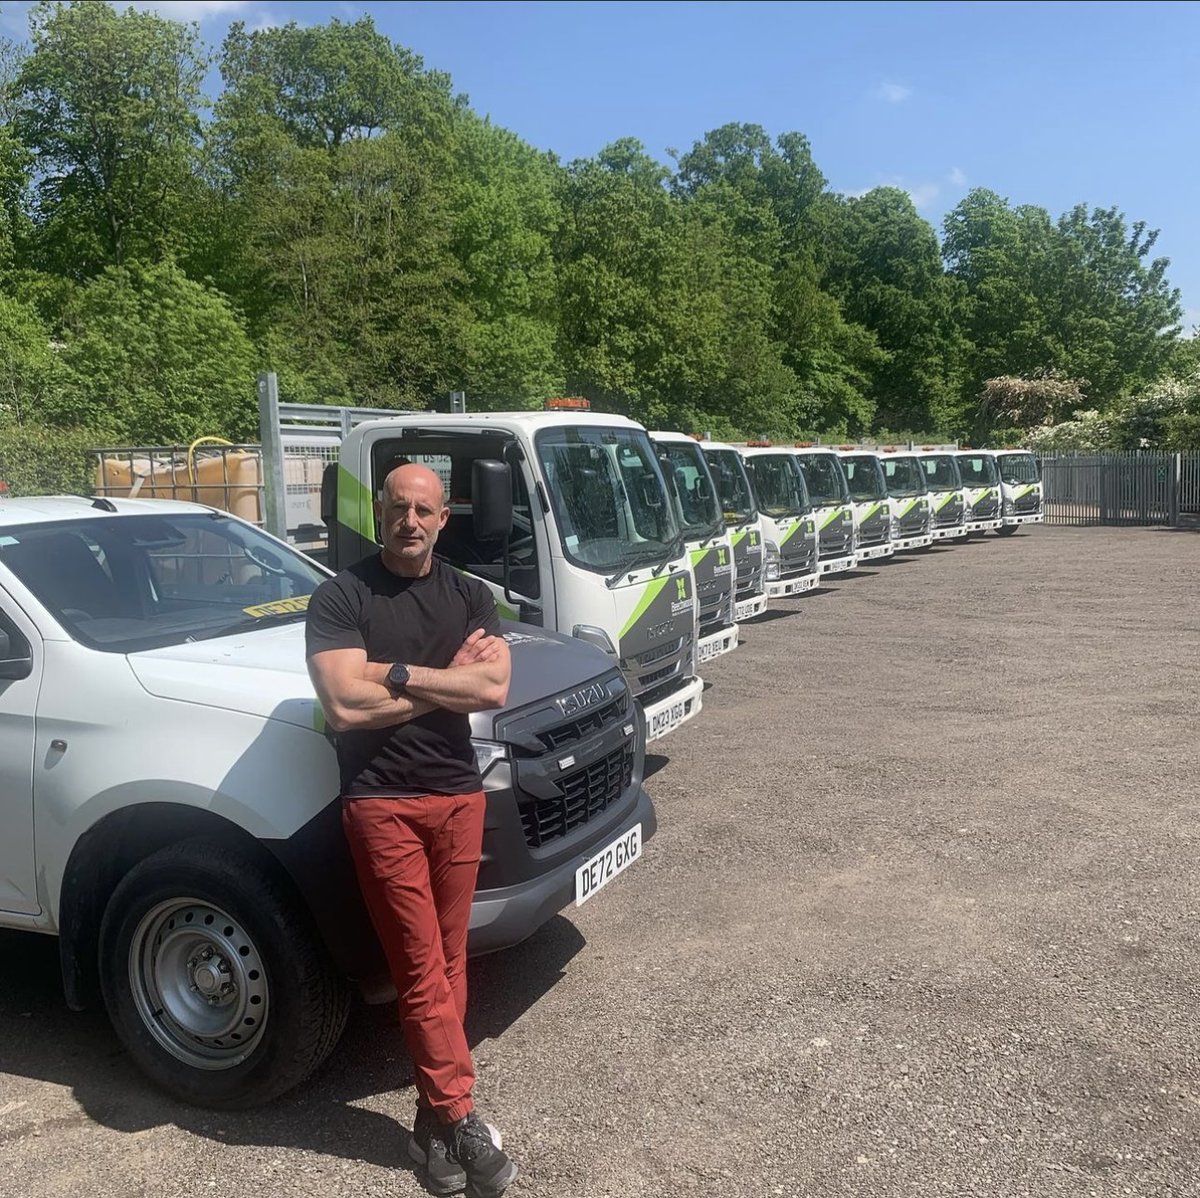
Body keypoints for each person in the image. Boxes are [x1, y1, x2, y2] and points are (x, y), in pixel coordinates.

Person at [305, 462, 518, 1198]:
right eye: (399, 507)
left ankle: (431, 1125)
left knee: (453, 962)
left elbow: (491, 687)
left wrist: (391, 673)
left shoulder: (470, 594)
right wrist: (437, 680)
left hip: (459, 798)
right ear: (381, 512)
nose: (410, 521)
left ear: (442, 518)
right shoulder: (342, 595)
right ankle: (460, 1117)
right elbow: (343, 707)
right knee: (422, 966)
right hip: (381, 802)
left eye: (424, 510)